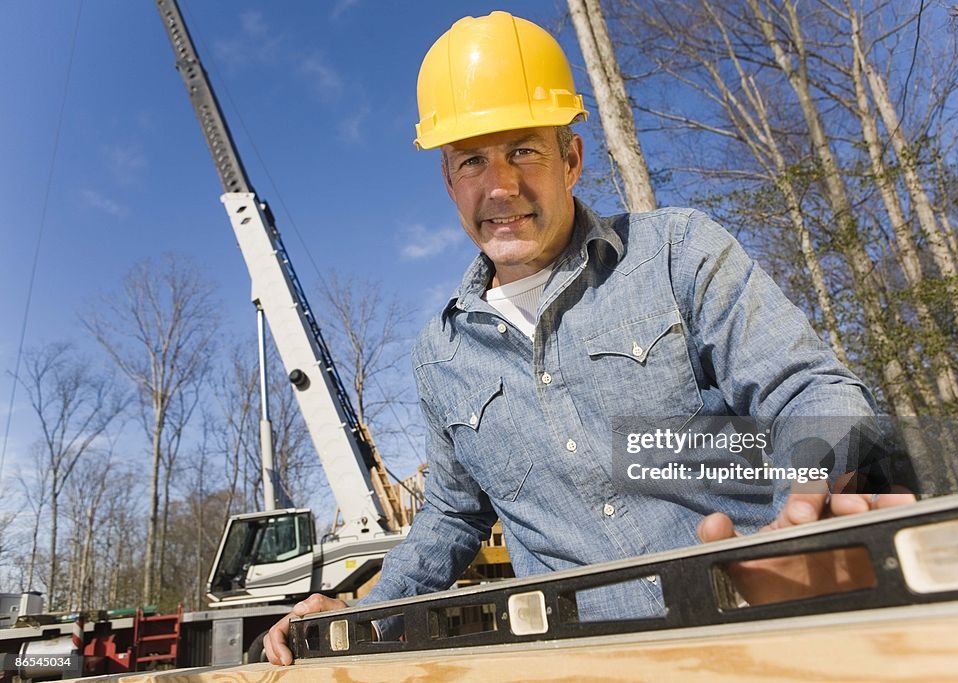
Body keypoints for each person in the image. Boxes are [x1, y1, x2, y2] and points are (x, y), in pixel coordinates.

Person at [264, 11, 912, 664]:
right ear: (449, 181)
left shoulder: (676, 253)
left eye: (523, 149)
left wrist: (803, 507)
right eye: (472, 160)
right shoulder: (442, 353)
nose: (501, 185)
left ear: (570, 158)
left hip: (758, 629)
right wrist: (366, 610)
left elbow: (807, 387)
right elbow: (453, 516)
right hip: (584, 663)